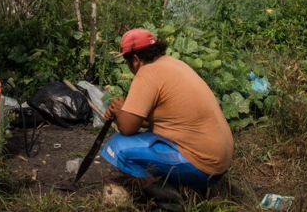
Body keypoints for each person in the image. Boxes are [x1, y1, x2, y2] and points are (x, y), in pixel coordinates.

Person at [100, 28, 234, 200]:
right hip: (218, 164)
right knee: (146, 136)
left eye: (127, 61)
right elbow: (160, 120)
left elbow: (127, 128)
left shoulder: (147, 73)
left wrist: (120, 112)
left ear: (135, 59)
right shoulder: (172, 63)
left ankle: (169, 199)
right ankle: (183, 187)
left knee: (117, 147)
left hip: (202, 167)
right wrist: (125, 111)